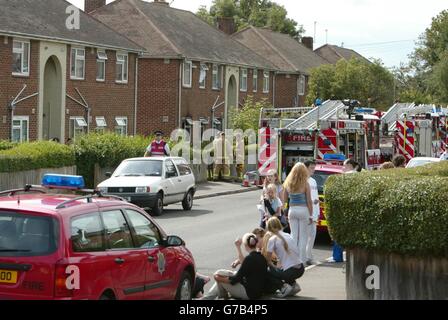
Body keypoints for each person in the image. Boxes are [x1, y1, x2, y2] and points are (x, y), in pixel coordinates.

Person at [212, 233, 269, 300]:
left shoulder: (249, 259)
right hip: (258, 292)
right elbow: (244, 271)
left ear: (245, 245)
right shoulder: (261, 257)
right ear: (256, 244)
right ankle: (217, 297)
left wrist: (219, 279)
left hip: (249, 294)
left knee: (219, 278)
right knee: (220, 273)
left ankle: (221, 297)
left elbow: (235, 279)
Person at [262, 217, 304, 298]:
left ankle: (283, 287)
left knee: (267, 271)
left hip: (290, 271)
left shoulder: (272, 239)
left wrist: (274, 266)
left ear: (269, 228)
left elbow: (267, 260)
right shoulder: (288, 235)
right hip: (300, 268)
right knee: (283, 268)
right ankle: (294, 286)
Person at [282, 163, 313, 263]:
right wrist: (311, 214)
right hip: (303, 210)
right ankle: (301, 261)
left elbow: (284, 200)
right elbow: (309, 201)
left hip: (292, 210)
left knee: (293, 235)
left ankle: (292, 260)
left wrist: (285, 212)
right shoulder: (305, 184)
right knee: (303, 236)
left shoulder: (288, 183)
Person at [304, 160, 320, 265]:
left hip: (314, 213)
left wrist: (317, 211)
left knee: (312, 235)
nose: (313, 170)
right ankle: (305, 257)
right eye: (311, 168)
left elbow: (316, 197)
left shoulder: (313, 181)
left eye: (314, 168)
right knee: (305, 236)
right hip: (306, 212)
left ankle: (309, 256)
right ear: (305, 168)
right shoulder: (303, 181)